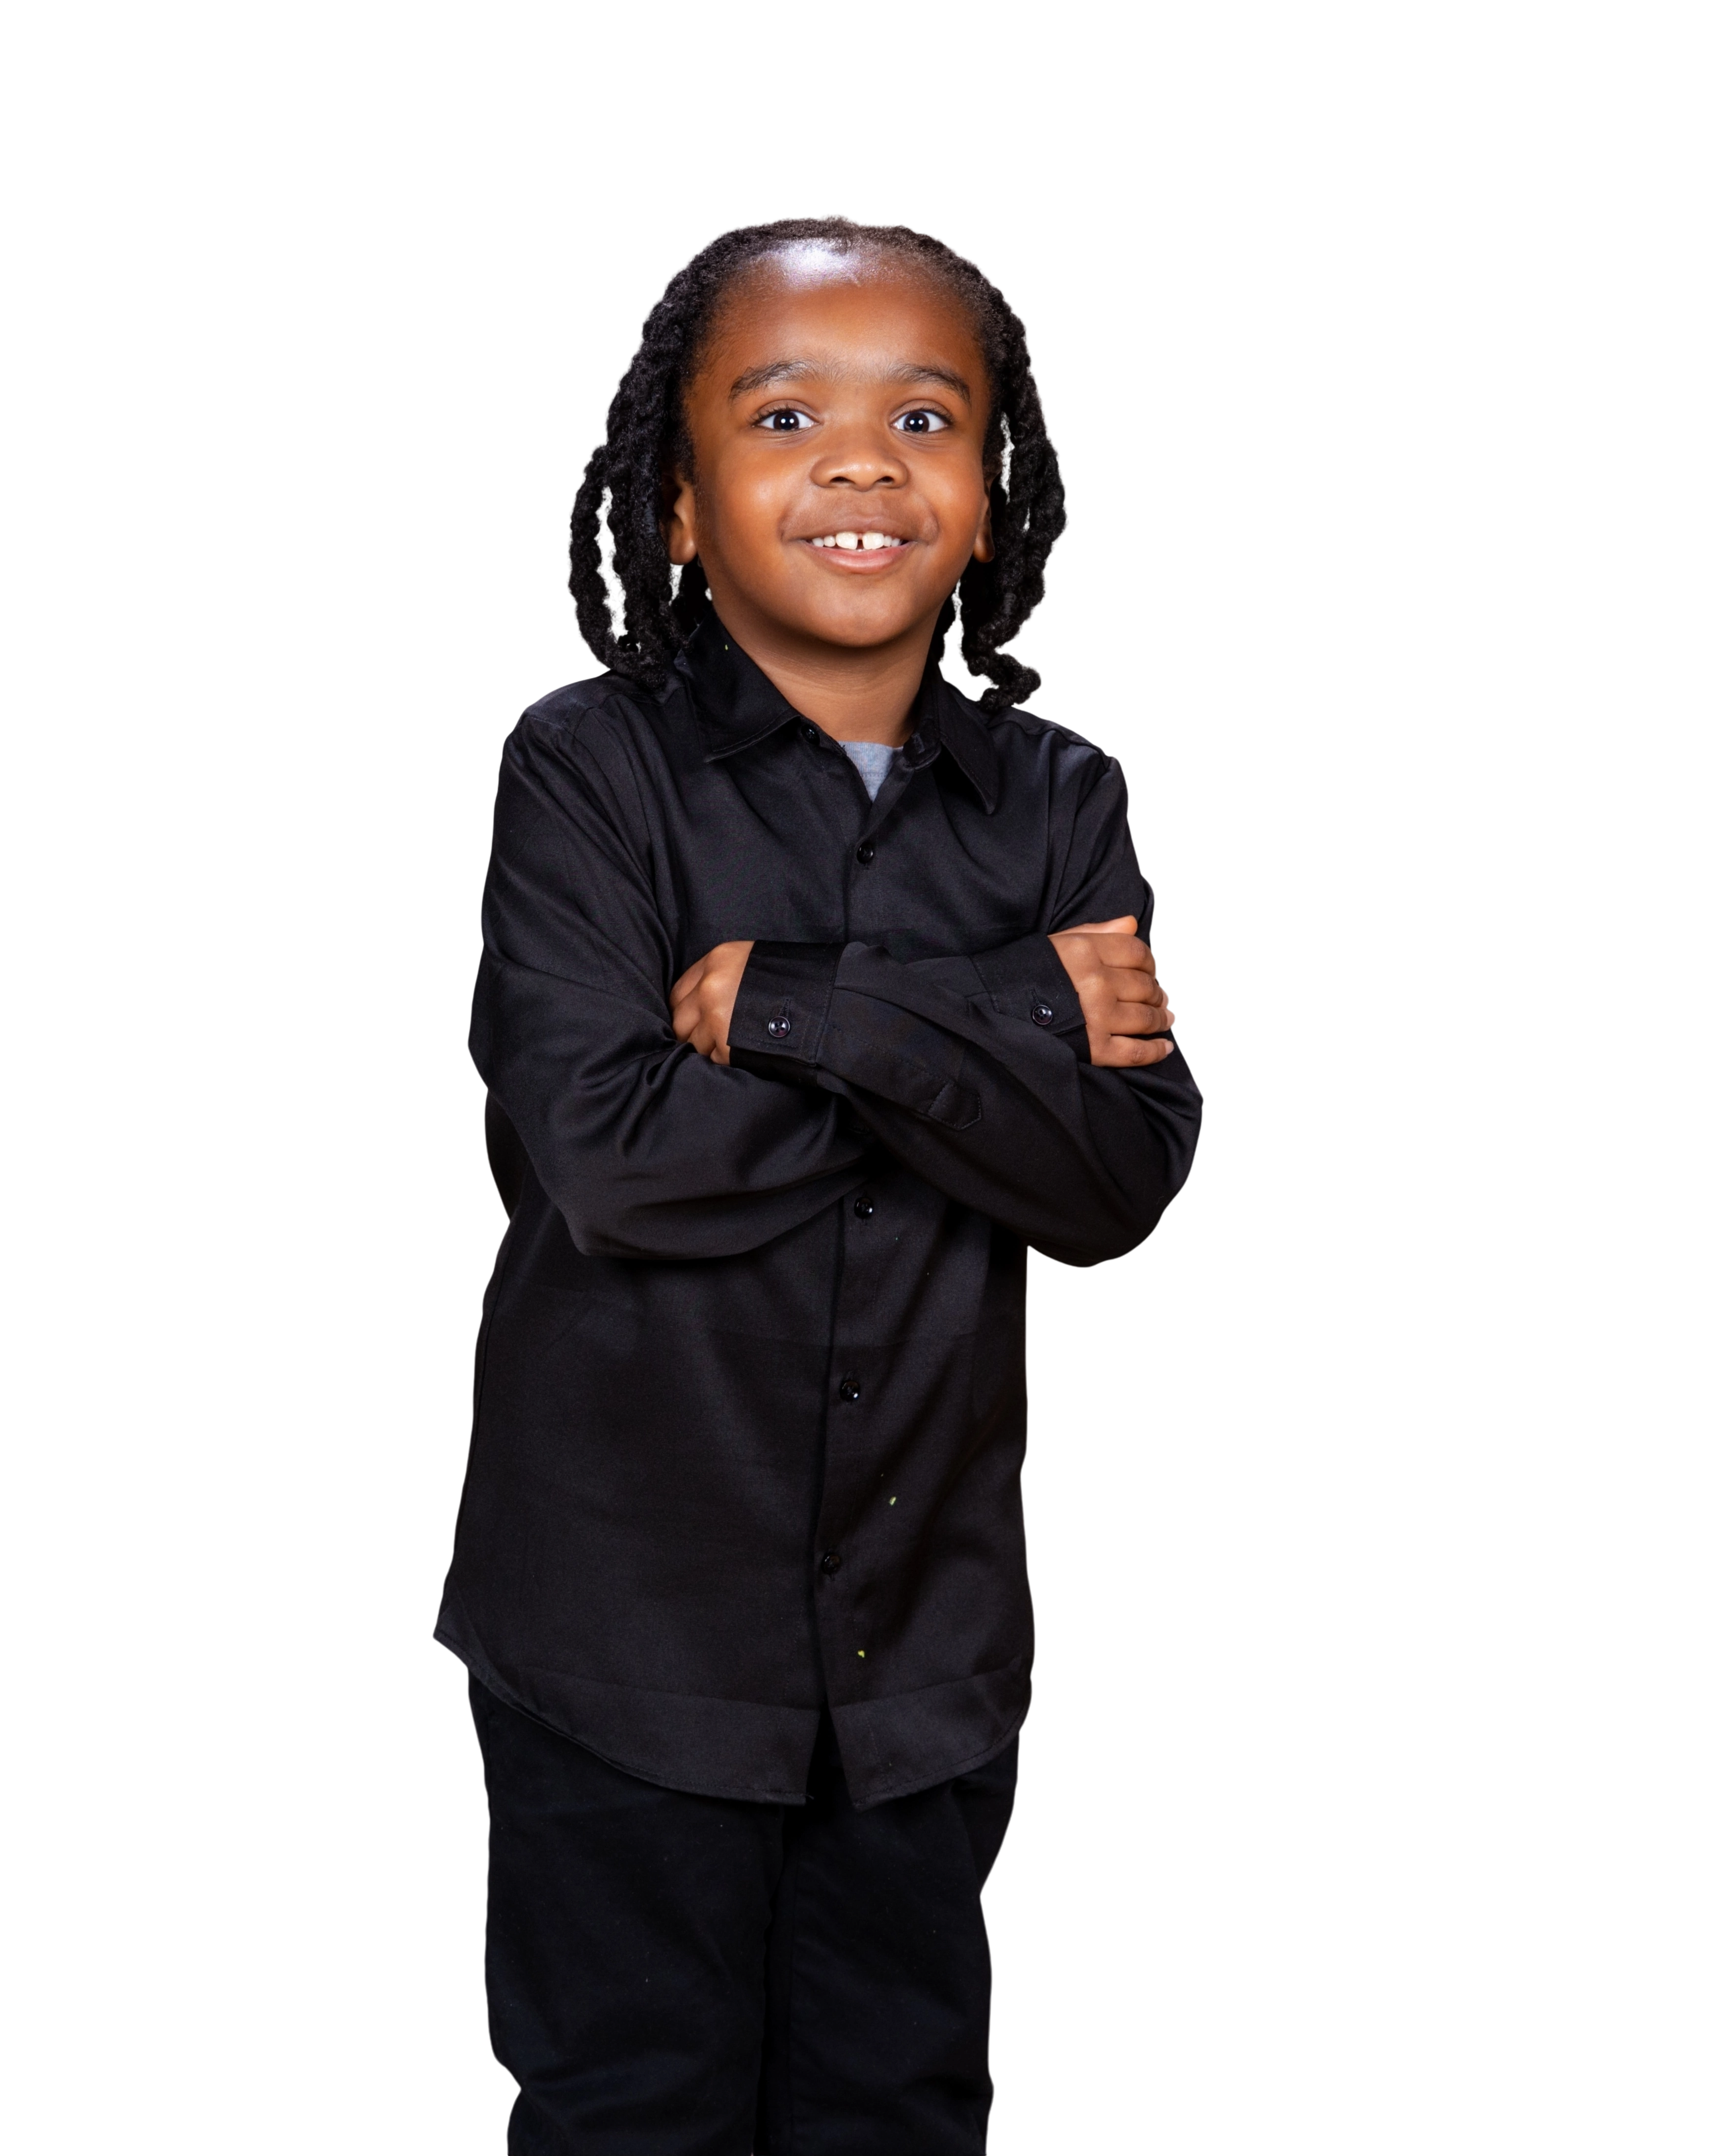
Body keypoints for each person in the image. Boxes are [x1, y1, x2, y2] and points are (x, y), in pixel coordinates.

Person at [433, 210, 1204, 2155]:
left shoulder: (1059, 800)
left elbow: (1113, 1175)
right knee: (635, 2115)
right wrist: (1000, 1018)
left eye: (923, 419)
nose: (861, 463)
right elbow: (617, 1160)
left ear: (989, 501)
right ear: (679, 507)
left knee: (897, 2117)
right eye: (784, 416)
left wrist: (789, 1008)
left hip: (922, 1658)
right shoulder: (585, 771)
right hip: (622, 1644)